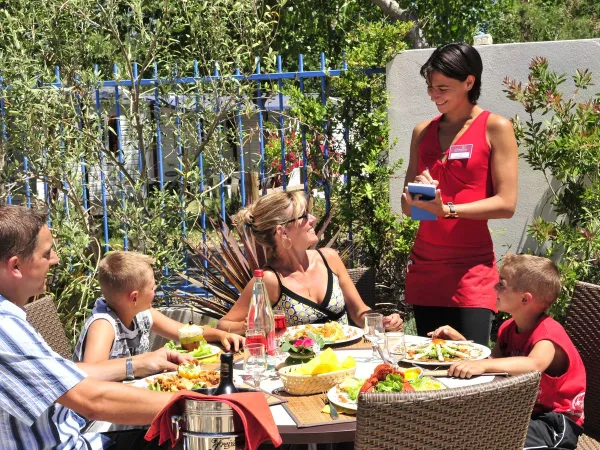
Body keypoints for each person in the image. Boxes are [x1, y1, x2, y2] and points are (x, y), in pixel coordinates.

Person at [0, 205, 197, 449]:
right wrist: (200, 403)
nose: (56, 259)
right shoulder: (4, 327)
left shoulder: (11, 317)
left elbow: (63, 376)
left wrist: (139, 363)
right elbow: (92, 401)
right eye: (46, 253)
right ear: (15, 266)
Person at [401, 42, 518, 346]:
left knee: (471, 362)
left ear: (469, 82)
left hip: (472, 268)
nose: (433, 95)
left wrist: (448, 209)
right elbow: (412, 208)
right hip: (426, 266)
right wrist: (418, 201)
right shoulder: (422, 131)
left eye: (442, 87)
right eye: (430, 87)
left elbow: (506, 204)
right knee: (430, 363)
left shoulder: (496, 128)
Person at [430, 254, 585, 449]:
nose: (495, 288)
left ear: (525, 298)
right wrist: (462, 345)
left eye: (501, 284)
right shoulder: (508, 327)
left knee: (490, 441)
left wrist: (482, 364)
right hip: (520, 412)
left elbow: (533, 365)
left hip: (554, 424)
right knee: (460, 428)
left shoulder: (548, 333)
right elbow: (495, 364)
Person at [217, 191, 402, 335]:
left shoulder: (329, 258)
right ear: (282, 232)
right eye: (304, 216)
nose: (313, 219)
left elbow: (359, 312)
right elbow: (223, 324)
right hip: (300, 371)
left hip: (348, 361)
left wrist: (382, 321)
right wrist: (253, 325)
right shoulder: (270, 280)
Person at [73, 251, 244, 363]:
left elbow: (184, 332)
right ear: (134, 297)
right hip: (100, 416)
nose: (156, 291)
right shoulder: (104, 325)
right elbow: (92, 373)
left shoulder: (142, 314)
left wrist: (221, 334)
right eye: (153, 288)